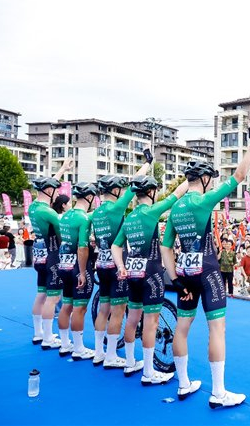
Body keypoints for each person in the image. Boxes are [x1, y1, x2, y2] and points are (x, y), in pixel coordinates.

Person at [159, 120, 250, 406]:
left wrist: (175, 279)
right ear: (203, 179)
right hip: (207, 271)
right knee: (217, 329)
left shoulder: (176, 208)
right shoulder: (201, 201)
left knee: (182, 327)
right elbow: (239, 174)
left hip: (184, 273)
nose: (212, 184)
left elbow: (166, 248)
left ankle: (183, 384)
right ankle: (218, 393)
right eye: (210, 180)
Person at [112, 175, 190, 384]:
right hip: (151, 273)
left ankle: (130, 362)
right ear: (151, 192)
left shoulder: (129, 218)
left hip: (132, 273)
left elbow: (115, 245)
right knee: (151, 322)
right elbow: (176, 195)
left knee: (132, 319)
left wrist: (121, 266)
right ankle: (148, 372)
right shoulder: (152, 211)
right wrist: (190, 179)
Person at [91, 153, 152, 367]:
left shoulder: (96, 213)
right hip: (118, 265)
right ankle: (110, 356)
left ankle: (98, 352)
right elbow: (136, 183)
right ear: (116, 190)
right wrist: (147, 163)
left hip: (102, 264)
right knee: (118, 312)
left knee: (103, 309)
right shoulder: (117, 208)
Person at [29, 158, 73, 348]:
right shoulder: (49, 213)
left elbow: (50, 183)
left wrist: (62, 169)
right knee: (53, 297)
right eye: (55, 190)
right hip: (52, 256)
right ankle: (48, 337)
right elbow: (64, 235)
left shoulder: (33, 207)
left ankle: (38, 333)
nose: (57, 193)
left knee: (41, 294)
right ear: (48, 191)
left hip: (38, 255)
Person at [56, 182, 99, 359]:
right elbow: (82, 247)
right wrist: (82, 272)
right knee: (79, 308)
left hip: (64, 264)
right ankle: (79, 349)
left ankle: (65, 344)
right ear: (89, 197)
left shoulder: (65, 216)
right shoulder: (84, 219)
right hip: (78, 266)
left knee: (66, 305)